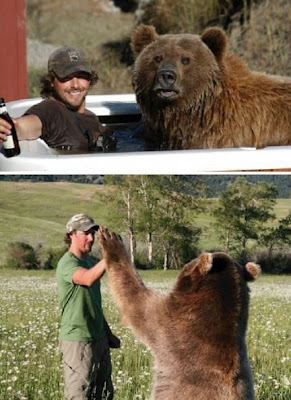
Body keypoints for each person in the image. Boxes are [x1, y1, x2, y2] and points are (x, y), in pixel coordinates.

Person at [0, 46, 116, 152]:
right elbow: (23, 127)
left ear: (90, 79)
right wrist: (8, 127)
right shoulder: (50, 110)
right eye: (66, 78)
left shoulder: (90, 116)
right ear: (51, 81)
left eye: (81, 76)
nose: (75, 85)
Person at [56, 214, 120, 400]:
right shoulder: (67, 263)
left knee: (104, 395)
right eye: (85, 233)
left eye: (92, 233)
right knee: (80, 395)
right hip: (78, 341)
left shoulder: (90, 262)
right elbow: (87, 278)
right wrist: (110, 255)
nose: (90, 238)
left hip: (99, 339)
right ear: (72, 234)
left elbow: (94, 305)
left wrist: (107, 334)